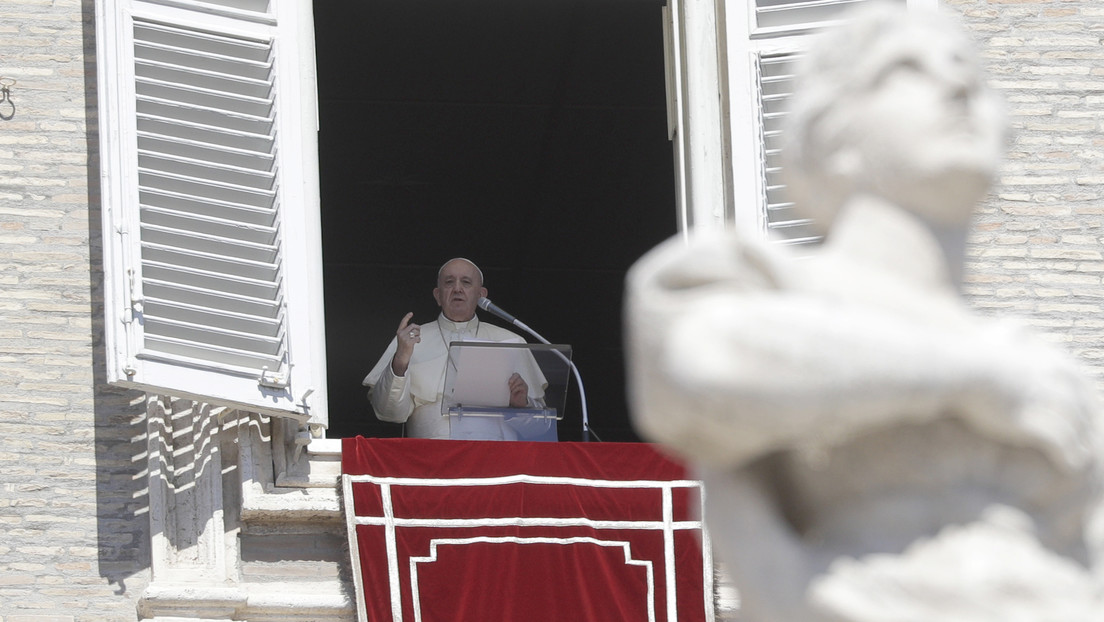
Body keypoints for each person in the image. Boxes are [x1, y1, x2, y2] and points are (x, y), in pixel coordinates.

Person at [625, 5, 1104, 622]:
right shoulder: (758, 286)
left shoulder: (1041, 360)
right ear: (832, 138)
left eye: (972, 74)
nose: (960, 89)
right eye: (906, 69)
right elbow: (700, 366)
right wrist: (970, 375)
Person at [363, 258, 550, 440]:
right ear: (437, 295)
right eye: (449, 282)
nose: (457, 288)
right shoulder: (409, 340)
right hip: (431, 460)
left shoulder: (511, 341)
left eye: (466, 282)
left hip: (495, 461)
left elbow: (540, 429)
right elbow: (389, 413)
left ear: (481, 295)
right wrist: (400, 362)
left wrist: (522, 405)